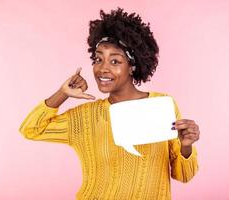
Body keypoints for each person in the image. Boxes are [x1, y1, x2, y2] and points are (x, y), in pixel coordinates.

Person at [19, 7, 200, 200]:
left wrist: (186, 146)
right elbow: (31, 129)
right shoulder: (85, 118)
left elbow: (184, 175)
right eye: (98, 59)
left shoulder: (162, 107)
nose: (102, 69)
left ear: (132, 66)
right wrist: (62, 94)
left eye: (115, 61)